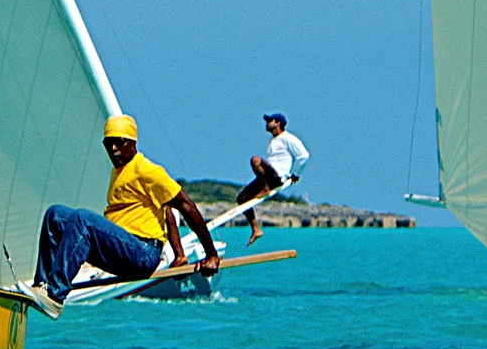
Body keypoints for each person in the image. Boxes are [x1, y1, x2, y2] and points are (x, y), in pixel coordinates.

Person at [21, 115, 221, 313]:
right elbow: (164, 208)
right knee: (55, 215)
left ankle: (54, 295)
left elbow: (186, 206)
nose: (114, 149)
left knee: (83, 219)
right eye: (108, 144)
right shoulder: (119, 171)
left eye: (119, 142)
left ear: (132, 143)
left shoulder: (147, 170)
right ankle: (42, 286)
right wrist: (180, 255)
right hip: (120, 250)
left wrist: (211, 254)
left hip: (142, 253)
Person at [233, 112, 310, 246]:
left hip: (277, 176)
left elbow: (304, 155)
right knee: (242, 198)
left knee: (255, 160)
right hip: (268, 177)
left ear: (278, 123)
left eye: (270, 121)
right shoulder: (272, 141)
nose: (267, 123)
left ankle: (265, 188)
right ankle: (255, 229)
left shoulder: (287, 138)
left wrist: (296, 173)